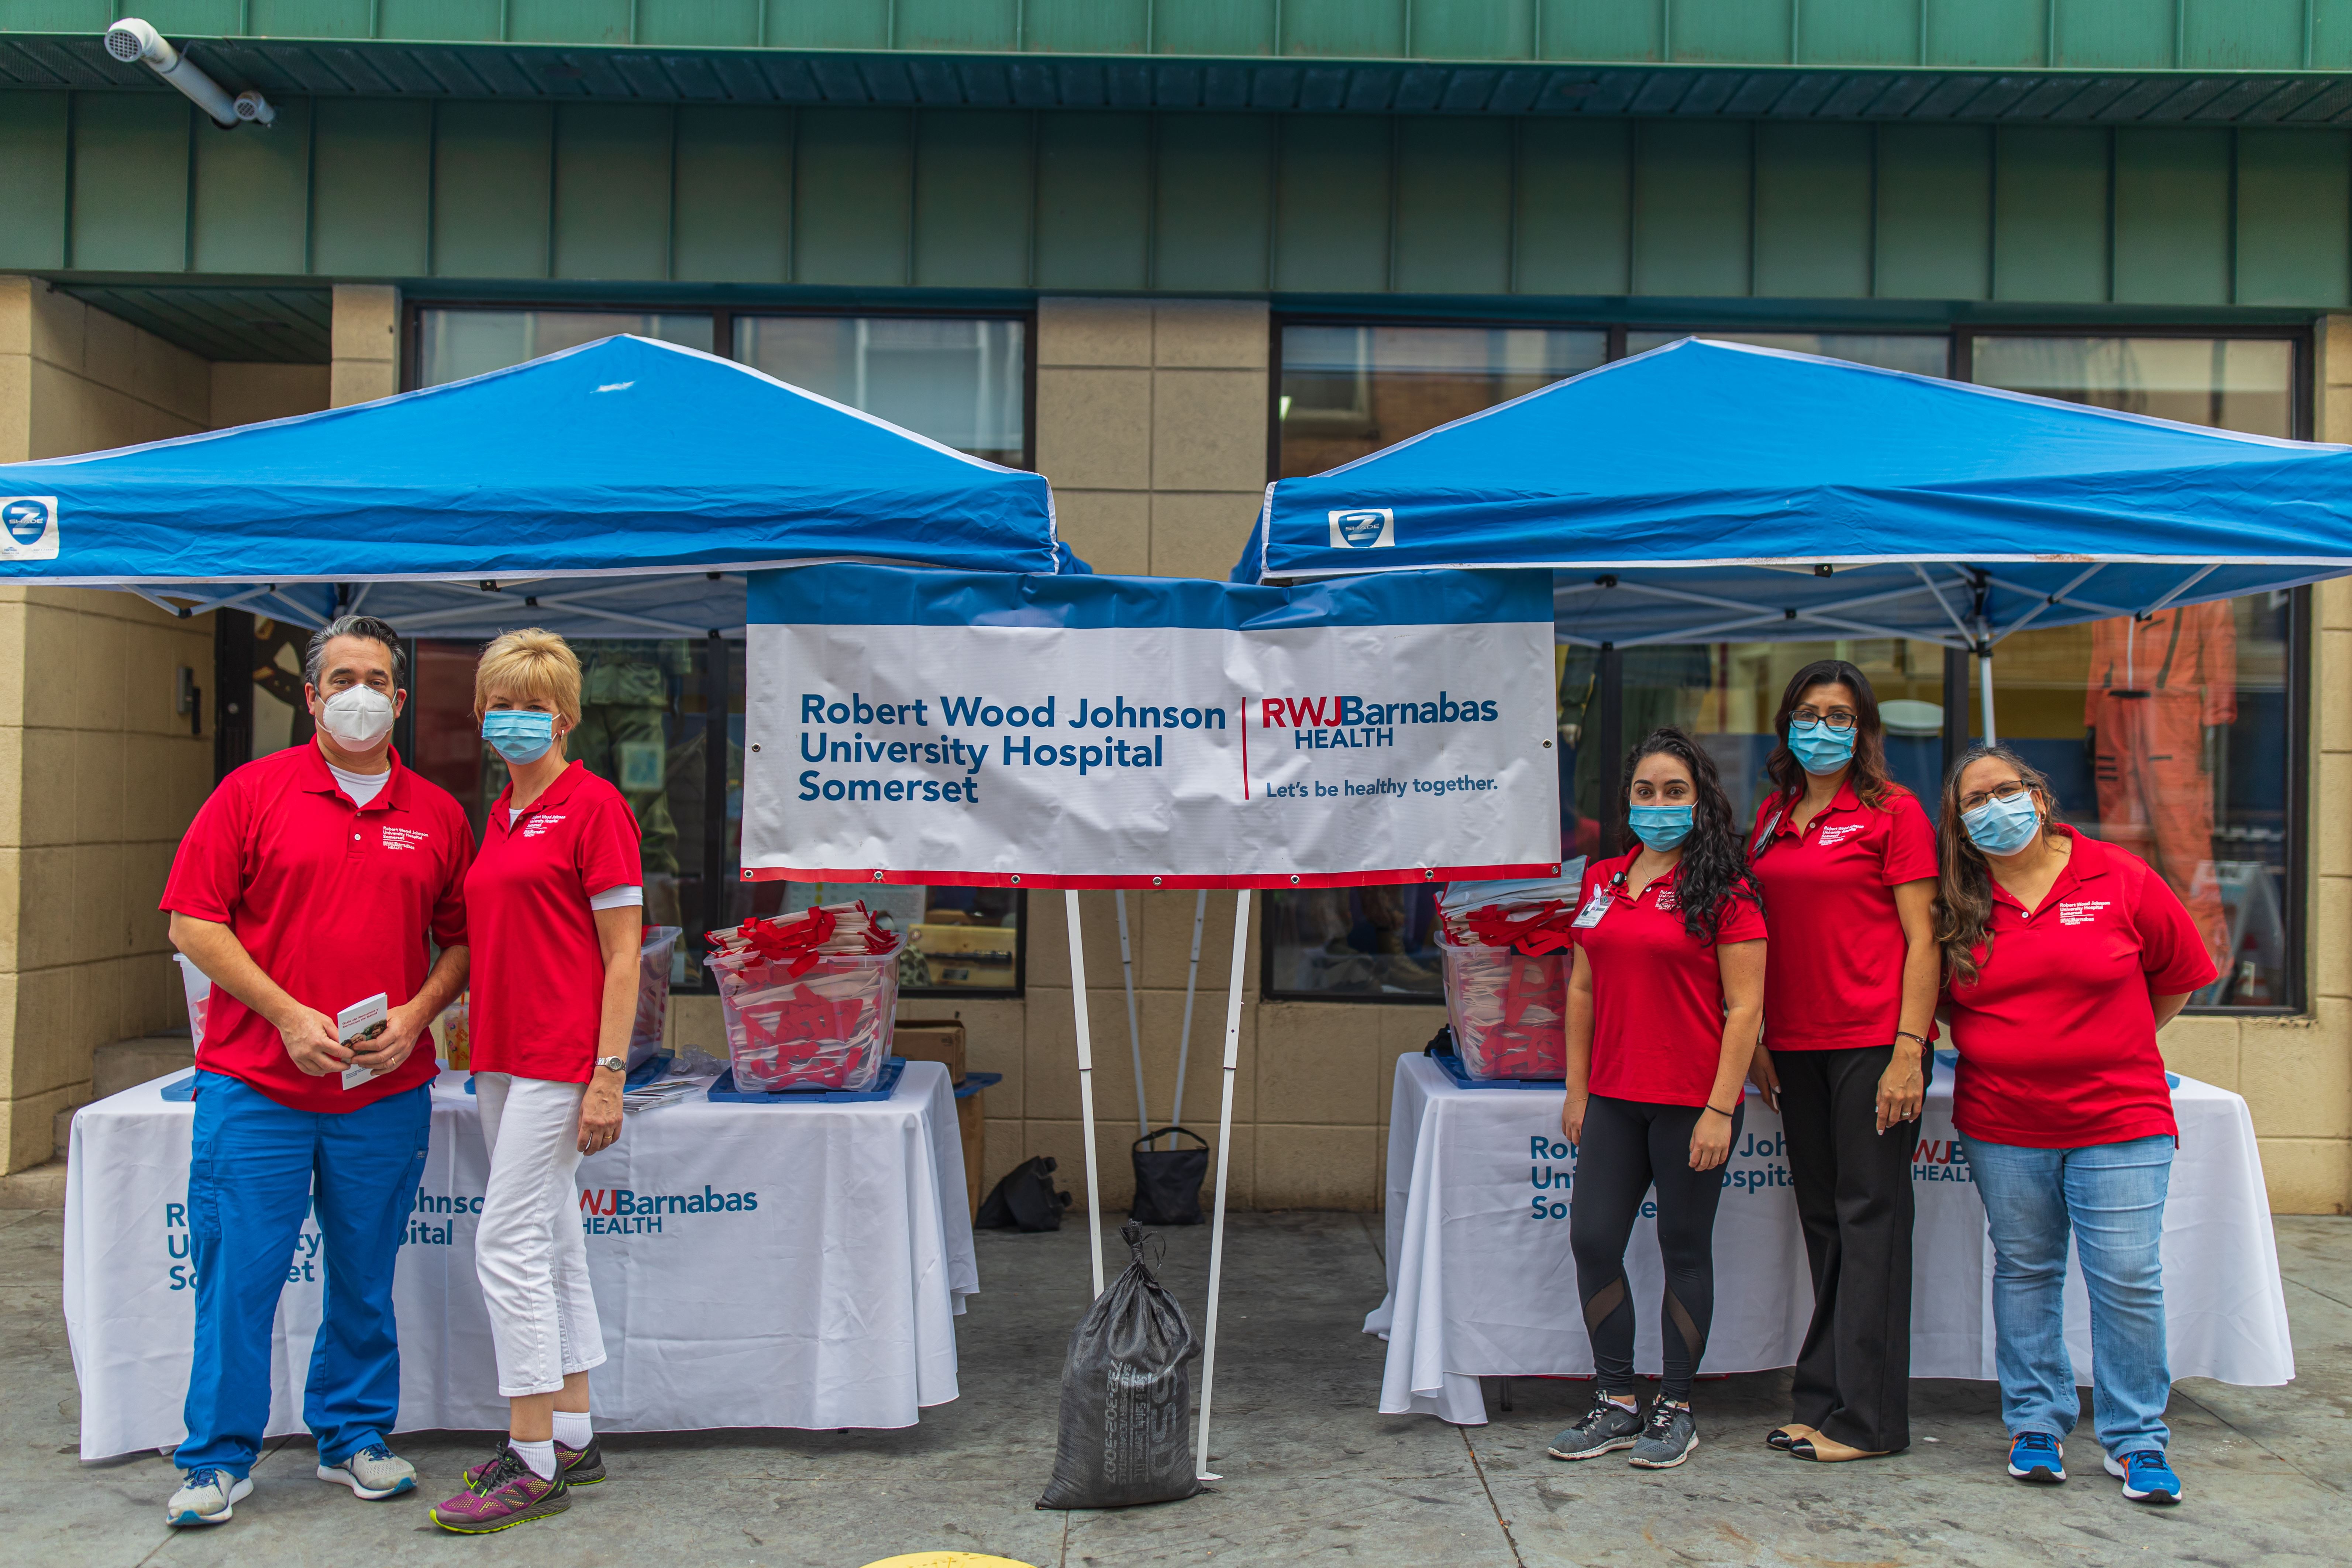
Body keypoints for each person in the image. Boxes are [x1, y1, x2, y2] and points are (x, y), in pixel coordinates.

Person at [160, 615, 473, 1528]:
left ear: (400, 700)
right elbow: (192, 921)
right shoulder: (250, 793)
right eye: (342, 679)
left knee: (365, 1275)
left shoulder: (437, 814)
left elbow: (462, 940)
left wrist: (418, 1013)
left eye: (376, 680)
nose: (360, 695)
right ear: (311, 696)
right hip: (256, 1084)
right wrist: (287, 1015)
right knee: (238, 1278)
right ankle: (218, 1458)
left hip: (382, 1088)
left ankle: (354, 1434)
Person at [1936, 744, 2216, 1508]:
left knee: (2125, 1276)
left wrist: (2114, 1042)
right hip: (2004, 1121)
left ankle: (2137, 1438)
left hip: (2118, 1116)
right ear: (1958, 825)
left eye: (2005, 790)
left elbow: (2179, 975)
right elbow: (1940, 1002)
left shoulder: (2117, 875)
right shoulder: (1956, 901)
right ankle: (2035, 1422)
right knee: (2025, 1270)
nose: (1993, 808)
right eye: (1973, 801)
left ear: (2037, 795)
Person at [430, 630, 644, 1534]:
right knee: (552, 1238)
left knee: (507, 1241)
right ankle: (572, 1433)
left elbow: (625, 953)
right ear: (481, 714)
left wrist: (608, 1074)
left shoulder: (595, 807)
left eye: (534, 705)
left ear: (565, 716)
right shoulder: (501, 814)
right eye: (500, 704)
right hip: (500, 1054)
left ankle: (528, 1460)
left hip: (561, 1056)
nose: (514, 719)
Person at [1549, 727, 1767, 1471]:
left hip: (1691, 1103)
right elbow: (1582, 989)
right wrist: (1577, 1089)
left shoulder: (1727, 889)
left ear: (1701, 801)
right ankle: (1616, 1400)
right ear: (1628, 800)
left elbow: (1746, 1009)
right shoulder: (1602, 879)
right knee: (1593, 1240)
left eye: (1675, 791)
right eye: (1645, 791)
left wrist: (1719, 1108)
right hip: (1612, 1097)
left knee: (1683, 1248)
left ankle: (1675, 1407)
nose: (1659, 803)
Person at [1743, 661, 1939, 1462]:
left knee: (1870, 1222)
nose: (1820, 727)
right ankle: (1821, 1402)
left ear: (1863, 730)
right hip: (1795, 1047)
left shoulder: (1894, 811)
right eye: (1807, 712)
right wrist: (1759, 1037)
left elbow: (1924, 938)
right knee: (1824, 1223)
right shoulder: (1772, 815)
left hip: (1871, 1042)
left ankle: (1869, 1422)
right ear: (1785, 723)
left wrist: (1908, 1051)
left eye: (1839, 715)